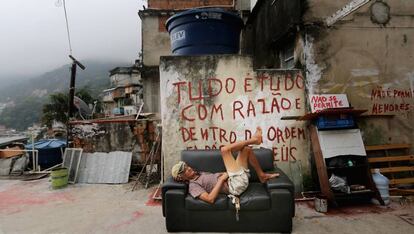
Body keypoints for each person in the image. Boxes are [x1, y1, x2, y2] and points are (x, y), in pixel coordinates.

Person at [171, 127, 279, 204]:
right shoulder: (193, 186)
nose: (188, 168)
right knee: (225, 150)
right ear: (182, 177)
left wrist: (223, 175)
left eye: (186, 166)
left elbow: (213, 179)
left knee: (246, 150)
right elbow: (210, 199)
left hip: (233, 179)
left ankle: (262, 175)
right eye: (185, 170)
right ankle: (254, 140)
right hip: (234, 186)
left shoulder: (200, 174)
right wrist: (221, 180)